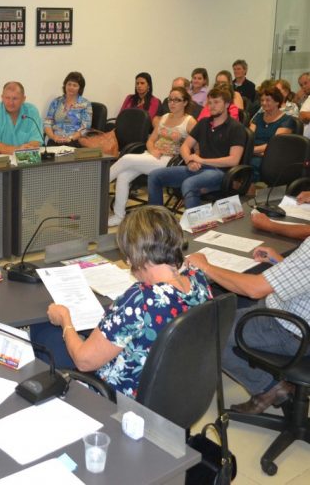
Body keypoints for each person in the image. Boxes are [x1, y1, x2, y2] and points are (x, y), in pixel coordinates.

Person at [35, 206, 211, 398]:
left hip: (121, 396)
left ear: (137, 255)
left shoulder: (140, 299)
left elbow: (84, 362)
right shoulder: (198, 278)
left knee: (43, 333)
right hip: (173, 390)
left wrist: (65, 320)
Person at [187, 241, 310, 414]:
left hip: (291, 331)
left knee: (203, 330)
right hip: (296, 321)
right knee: (233, 306)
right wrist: (278, 261)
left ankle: (270, 387)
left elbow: (254, 289)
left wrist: (206, 266)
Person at [108, 86, 196, 227]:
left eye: (177, 100)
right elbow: (150, 140)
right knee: (123, 176)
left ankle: (96, 187)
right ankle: (119, 216)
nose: (172, 103)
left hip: (169, 161)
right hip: (152, 156)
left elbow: (196, 146)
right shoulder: (165, 117)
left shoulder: (190, 121)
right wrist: (153, 150)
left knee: (125, 159)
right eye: (170, 100)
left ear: (185, 102)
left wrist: (193, 160)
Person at [147, 85, 246, 209]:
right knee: (154, 176)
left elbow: (233, 160)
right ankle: (157, 221)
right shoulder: (204, 123)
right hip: (198, 168)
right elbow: (185, 146)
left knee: (189, 184)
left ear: (226, 104)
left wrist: (201, 160)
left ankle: (197, 225)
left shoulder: (236, 128)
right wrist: (189, 161)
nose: (212, 106)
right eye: (209, 102)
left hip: (221, 173)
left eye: (216, 102)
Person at [0, 81, 43, 154]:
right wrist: (17, 150)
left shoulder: (31, 111)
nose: (10, 103)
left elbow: (36, 140)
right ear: (2, 98)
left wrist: (27, 149)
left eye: (15, 98)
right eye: (7, 98)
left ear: (23, 99)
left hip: (25, 158)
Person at [249, 86, 294, 183]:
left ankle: (247, 194)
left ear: (277, 102)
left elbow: (274, 145)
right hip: (255, 152)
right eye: (262, 100)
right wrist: (251, 150)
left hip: (271, 156)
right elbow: (249, 137)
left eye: (268, 100)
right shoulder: (258, 117)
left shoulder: (287, 120)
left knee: (251, 165)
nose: (264, 103)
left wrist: (251, 150)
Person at [44, 71, 92, 145]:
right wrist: (53, 137)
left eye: (75, 85)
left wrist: (70, 138)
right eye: (69, 84)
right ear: (65, 85)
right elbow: (47, 123)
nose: (71, 87)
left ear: (80, 88)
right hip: (55, 140)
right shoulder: (56, 102)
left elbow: (85, 128)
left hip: (74, 142)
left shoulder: (85, 104)